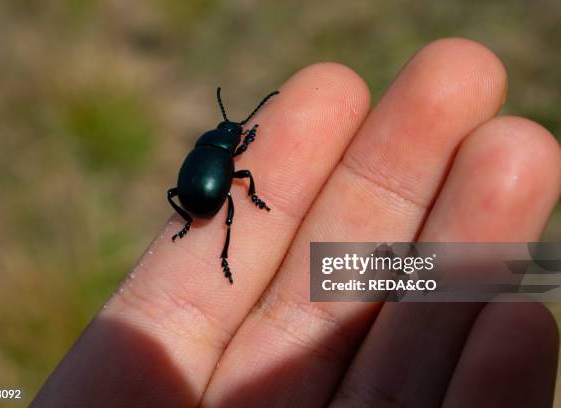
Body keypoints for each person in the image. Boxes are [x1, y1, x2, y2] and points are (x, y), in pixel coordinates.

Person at [32, 38, 560, 407]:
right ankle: (222, 247)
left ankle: (210, 235)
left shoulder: (210, 149)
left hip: (195, 194)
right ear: (231, 143)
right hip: (209, 194)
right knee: (237, 204)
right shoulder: (228, 154)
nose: (239, 135)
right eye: (237, 135)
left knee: (224, 201)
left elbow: (198, 173)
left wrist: (188, 212)